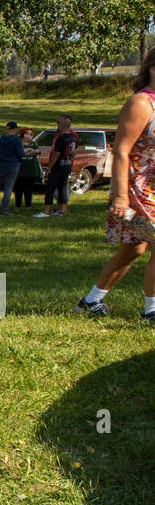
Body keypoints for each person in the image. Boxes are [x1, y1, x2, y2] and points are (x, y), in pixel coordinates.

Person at [74, 50, 155, 322]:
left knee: (133, 249)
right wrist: (120, 196)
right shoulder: (141, 103)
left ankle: (91, 301)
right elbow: (121, 151)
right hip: (139, 189)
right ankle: (152, 310)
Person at [36, 114, 77, 218]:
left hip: (58, 166)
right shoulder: (73, 137)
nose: (57, 125)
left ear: (62, 125)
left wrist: (50, 167)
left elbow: (56, 154)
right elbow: (74, 152)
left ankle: (46, 211)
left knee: (50, 188)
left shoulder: (61, 138)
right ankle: (61, 210)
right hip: (67, 165)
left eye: (58, 122)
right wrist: (71, 162)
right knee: (62, 188)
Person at [14, 127, 42, 210]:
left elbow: (38, 151)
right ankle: (17, 205)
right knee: (18, 189)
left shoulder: (33, 144)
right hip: (19, 171)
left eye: (31, 134)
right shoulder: (18, 143)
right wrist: (29, 151)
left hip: (31, 171)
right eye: (29, 134)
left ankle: (28, 205)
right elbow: (17, 152)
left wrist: (27, 151)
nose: (31, 136)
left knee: (28, 189)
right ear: (24, 134)